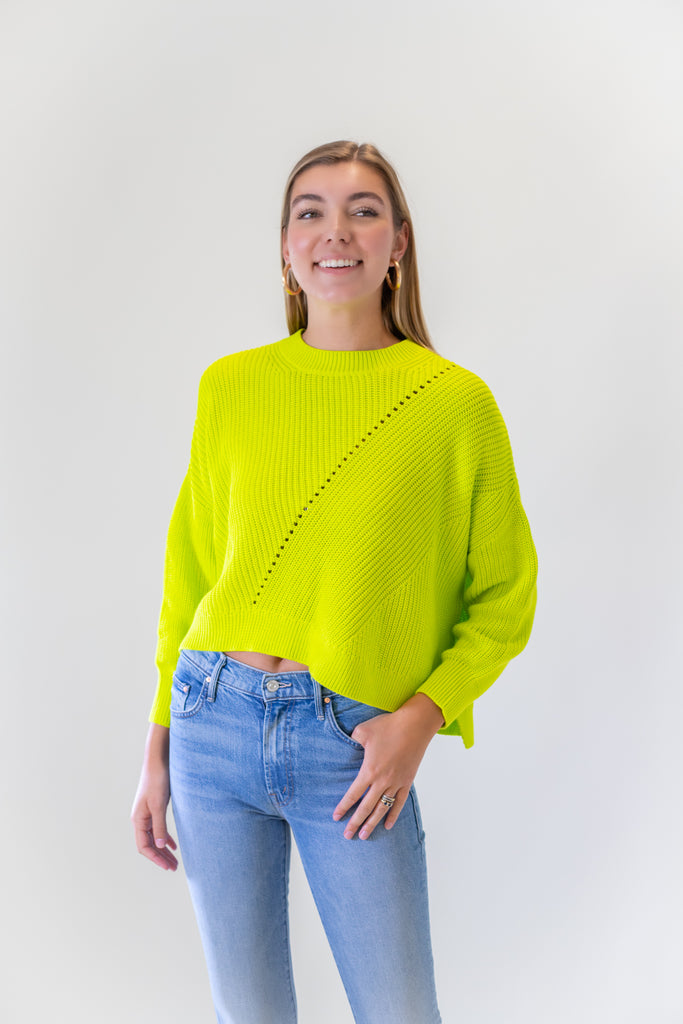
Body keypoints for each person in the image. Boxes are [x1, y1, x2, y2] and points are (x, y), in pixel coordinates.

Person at [131, 139, 538, 1024]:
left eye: (362, 211)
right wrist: (156, 748)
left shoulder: (453, 404)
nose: (335, 232)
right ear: (285, 246)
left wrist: (420, 719)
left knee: (399, 1011)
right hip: (210, 724)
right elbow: (188, 574)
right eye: (309, 212)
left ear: (398, 242)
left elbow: (505, 596)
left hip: (352, 747)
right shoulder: (230, 386)